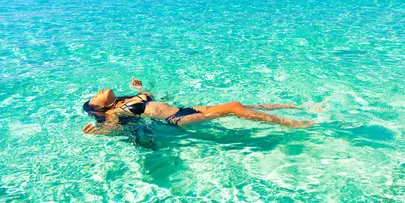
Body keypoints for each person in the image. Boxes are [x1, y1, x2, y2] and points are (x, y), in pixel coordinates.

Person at [82, 77, 314, 135]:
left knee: (245, 105)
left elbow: (151, 93)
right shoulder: (115, 112)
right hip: (178, 120)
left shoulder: (125, 100)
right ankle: (291, 123)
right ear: (98, 108)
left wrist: (141, 86)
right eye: (95, 96)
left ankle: (296, 107)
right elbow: (115, 128)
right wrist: (97, 133)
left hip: (186, 109)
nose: (99, 91)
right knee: (234, 106)